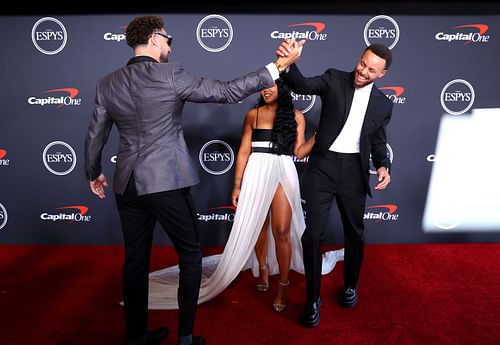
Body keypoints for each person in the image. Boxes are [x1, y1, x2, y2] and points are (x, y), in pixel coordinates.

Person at [84, 15, 303, 345]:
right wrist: (276, 67)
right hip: (166, 182)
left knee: (135, 261)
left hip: (126, 184)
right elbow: (227, 92)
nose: (170, 46)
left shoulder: (107, 83)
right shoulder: (171, 74)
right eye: (169, 39)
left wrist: (93, 172)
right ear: (156, 39)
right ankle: (185, 338)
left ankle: (136, 338)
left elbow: (94, 135)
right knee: (189, 256)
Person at [146, 80, 343, 311]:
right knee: (258, 226)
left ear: (283, 89)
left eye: (272, 86)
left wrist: (318, 136)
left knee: (281, 230)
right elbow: (243, 151)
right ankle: (262, 268)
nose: (266, 90)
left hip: (283, 171)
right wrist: (237, 186)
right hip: (256, 170)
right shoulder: (253, 115)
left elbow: (299, 152)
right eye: (263, 86)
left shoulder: (296, 116)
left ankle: (283, 285)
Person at [276, 41, 394, 327]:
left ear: (382, 74)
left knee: (355, 233)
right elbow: (302, 85)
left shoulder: (383, 104)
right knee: (313, 235)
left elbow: (378, 141)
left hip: (354, 172)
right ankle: (313, 299)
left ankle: (350, 285)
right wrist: (289, 63)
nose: (363, 71)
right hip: (323, 168)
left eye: (371, 70)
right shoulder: (333, 78)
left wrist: (383, 165)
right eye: (362, 63)